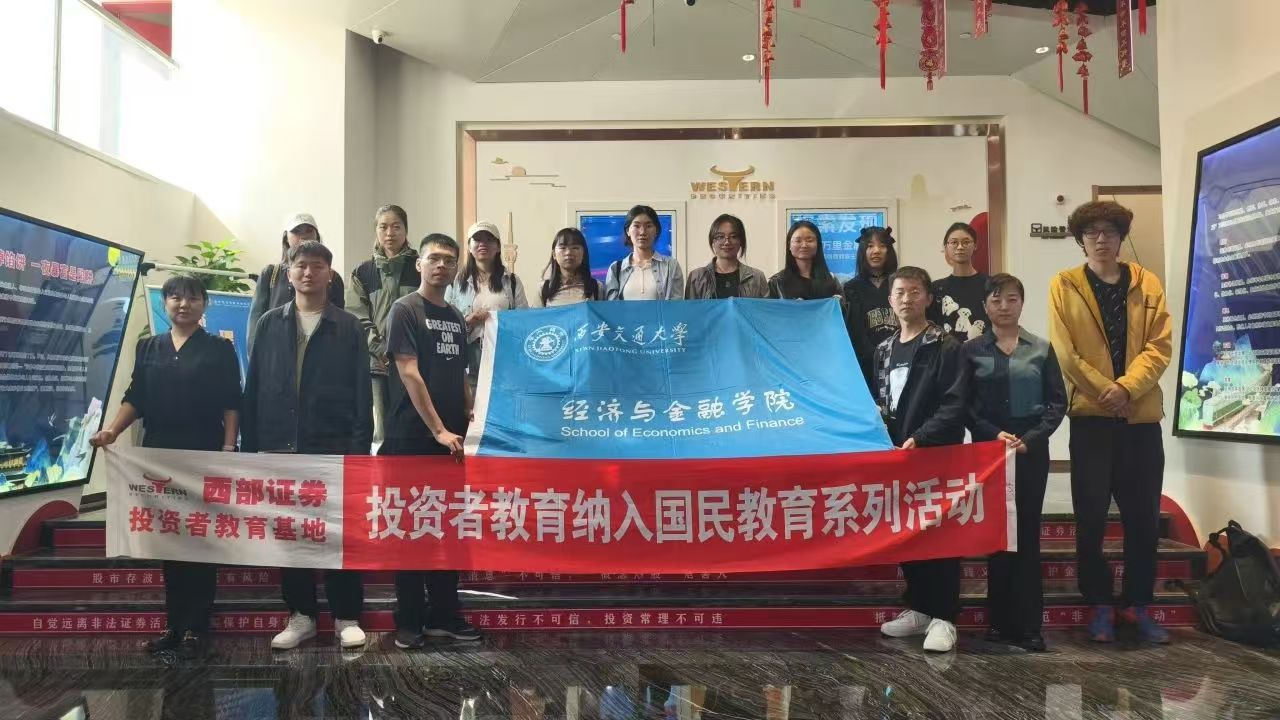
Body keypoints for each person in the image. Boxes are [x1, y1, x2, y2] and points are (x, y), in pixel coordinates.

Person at [90, 275, 241, 660]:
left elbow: (231, 402)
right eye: (175, 297)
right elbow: (135, 397)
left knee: (199, 539)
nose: (183, 304)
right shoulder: (148, 346)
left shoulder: (219, 349)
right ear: (165, 303)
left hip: (203, 453)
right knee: (169, 538)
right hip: (157, 455)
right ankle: (174, 625)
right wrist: (111, 431)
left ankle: (196, 626)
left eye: (192, 298)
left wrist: (228, 448)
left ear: (204, 304)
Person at [1048, 200, 1172, 645]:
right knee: (1091, 517)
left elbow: (1159, 346)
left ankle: (1138, 603)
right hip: (1091, 421)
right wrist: (1108, 390)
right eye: (1092, 232)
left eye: (1110, 231)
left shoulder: (1147, 282)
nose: (1101, 239)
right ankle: (1099, 602)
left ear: (1121, 237)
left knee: (1143, 519)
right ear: (1081, 240)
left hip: (1140, 420)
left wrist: (1127, 389)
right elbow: (1065, 353)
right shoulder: (1065, 284)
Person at [242, 241, 373, 651]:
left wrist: (359, 451)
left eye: (317, 266)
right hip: (280, 448)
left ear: (329, 274)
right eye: (301, 265)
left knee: (337, 534)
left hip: (332, 447)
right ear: (289, 271)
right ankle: (301, 616)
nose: (308, 273)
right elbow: (255, 387)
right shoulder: (269, 323)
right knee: (291, 535)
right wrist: (251, 448)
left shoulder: (348, 326)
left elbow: (362, 393)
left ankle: (346, 616)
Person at [383, 233, 482, 648]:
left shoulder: (456, 317)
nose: (441, 265)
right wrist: (437, 429)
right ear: (419, 264)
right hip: (412, 439)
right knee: (411, 528)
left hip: (452, 443)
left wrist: (470, 413)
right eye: (434, 258)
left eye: (449, 260)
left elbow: (460, 374)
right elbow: (409, 372)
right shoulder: (405, 309)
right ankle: (409, 620)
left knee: (447, 528)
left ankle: (444, 615)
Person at [962, 273, 1066, 653]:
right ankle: (998, 622)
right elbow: (966, 406)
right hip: (990, 452)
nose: (1004, 306)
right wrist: (992, 434)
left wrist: (1031, 439)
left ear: (1022, 303)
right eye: (996, 300)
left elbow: (1057, 403)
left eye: (1011, 299)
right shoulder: (971, 350)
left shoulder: (1041, 348)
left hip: (1030, 451)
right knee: (997, 535)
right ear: (985, 306)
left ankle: (1030, 626)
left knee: (1027, 534)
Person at [873, 266, 967, 654]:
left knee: (940, 534)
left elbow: (954, 405)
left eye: (914, 292)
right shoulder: (883, 349)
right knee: (907, 532)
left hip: (935, 455)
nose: (906, 299)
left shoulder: (945, 346)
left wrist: (921, 437)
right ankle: (919, 609)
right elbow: (882, 403)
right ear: (890, 300)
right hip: (898, 458)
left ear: (928, 298)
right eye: (899, 292)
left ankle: (945, 617)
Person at [347, 204, 420, 446]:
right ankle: (381, 470)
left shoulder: (421, 268)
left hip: (414, 361)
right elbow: (357, 316)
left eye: (396, 226)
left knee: (414, 423)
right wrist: (380, 349)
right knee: (381, 429)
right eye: (383, 227)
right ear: (376, 231)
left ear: (406, 230)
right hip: (377, 363)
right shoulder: (362, 272)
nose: (390, 233)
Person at [445, 221, 528, 389]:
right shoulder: (456, 281)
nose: (483, 244)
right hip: (468, 356)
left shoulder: (511, 281)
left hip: (503, 355)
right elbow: (446, 323)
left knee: (502, 398)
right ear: (469, 247)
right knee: (471, 401)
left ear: (498, 247)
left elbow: (523, 321)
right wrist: (468, 320)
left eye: (489, 240)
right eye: (477, 239)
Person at [248, 213, 345, 351]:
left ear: (317, 236)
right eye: (296, 231)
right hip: (276, 351)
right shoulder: (270, 274)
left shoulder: (332, 278)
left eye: (309, 230)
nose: (303, 235)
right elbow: (255, 324)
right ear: (286, 237)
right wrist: (256, 356)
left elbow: (340, 324)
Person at [843, 226, 900, 388]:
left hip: (899, 360)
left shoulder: (900, 284)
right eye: (870, 246)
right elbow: (855, 330)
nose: (876, 251)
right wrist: (873, 355)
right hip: (864, 365)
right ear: (863, 251)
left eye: (882, 245)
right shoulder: (851, 288)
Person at [604, 205, 684, 300]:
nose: (642, 232)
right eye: (636, 226)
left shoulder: (670, 266)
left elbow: (675, 305)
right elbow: (612, 307)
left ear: (656, 230)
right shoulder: (616, 269)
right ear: (628, 231)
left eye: (648, 226)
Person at [930, 222, 990, 343]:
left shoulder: (990, 285)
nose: (960, 247)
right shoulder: (936, 288)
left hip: (983, 352)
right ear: (946, 247)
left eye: (966, 242)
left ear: (975, 245)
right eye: (954, 242)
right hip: (946, 353)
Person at [685, 214, 769, 299]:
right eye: (720, 237)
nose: (727, 242)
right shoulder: (696, 278)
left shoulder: (757, 277)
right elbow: (690, 307)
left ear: (741, 241)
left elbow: (765, 307)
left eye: (733, 236)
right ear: (712, 241)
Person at [767, 221, 842, 300]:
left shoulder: (831, 280)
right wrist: (792, 306)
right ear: (789, 245)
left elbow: (843, 307)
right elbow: (770, 307)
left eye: (809, 240)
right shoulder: (777, 282)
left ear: (818, 244)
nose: (804, 245)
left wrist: (839, 303)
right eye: (798, 241)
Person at [537, 227, 603, 306]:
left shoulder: (596, 287)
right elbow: (536, 314)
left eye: (575, 248)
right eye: (563, 248)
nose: (568, 252)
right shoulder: (543, 289)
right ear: (554, 254)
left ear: (584, 253)